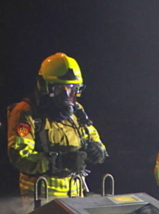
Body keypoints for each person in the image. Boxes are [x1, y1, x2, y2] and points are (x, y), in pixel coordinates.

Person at [8, 53, 107, 202]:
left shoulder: (77, 112)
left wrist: (98, 151)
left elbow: (94, 139)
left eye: (72, 88)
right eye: (61, 88)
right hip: (41, 198)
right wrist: (59, 161)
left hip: (75, 194)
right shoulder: (26, 111)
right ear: (45, 87)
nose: (67, 95)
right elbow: (20, 156)